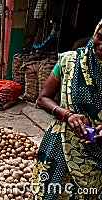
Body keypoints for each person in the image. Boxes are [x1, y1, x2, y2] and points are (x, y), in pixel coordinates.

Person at [31, 20, 102, 199]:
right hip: (61, 142)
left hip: (97, 152)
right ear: (95, 33)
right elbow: (43, 98)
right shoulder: (69, 61)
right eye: (100, 37)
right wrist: (67, 114)